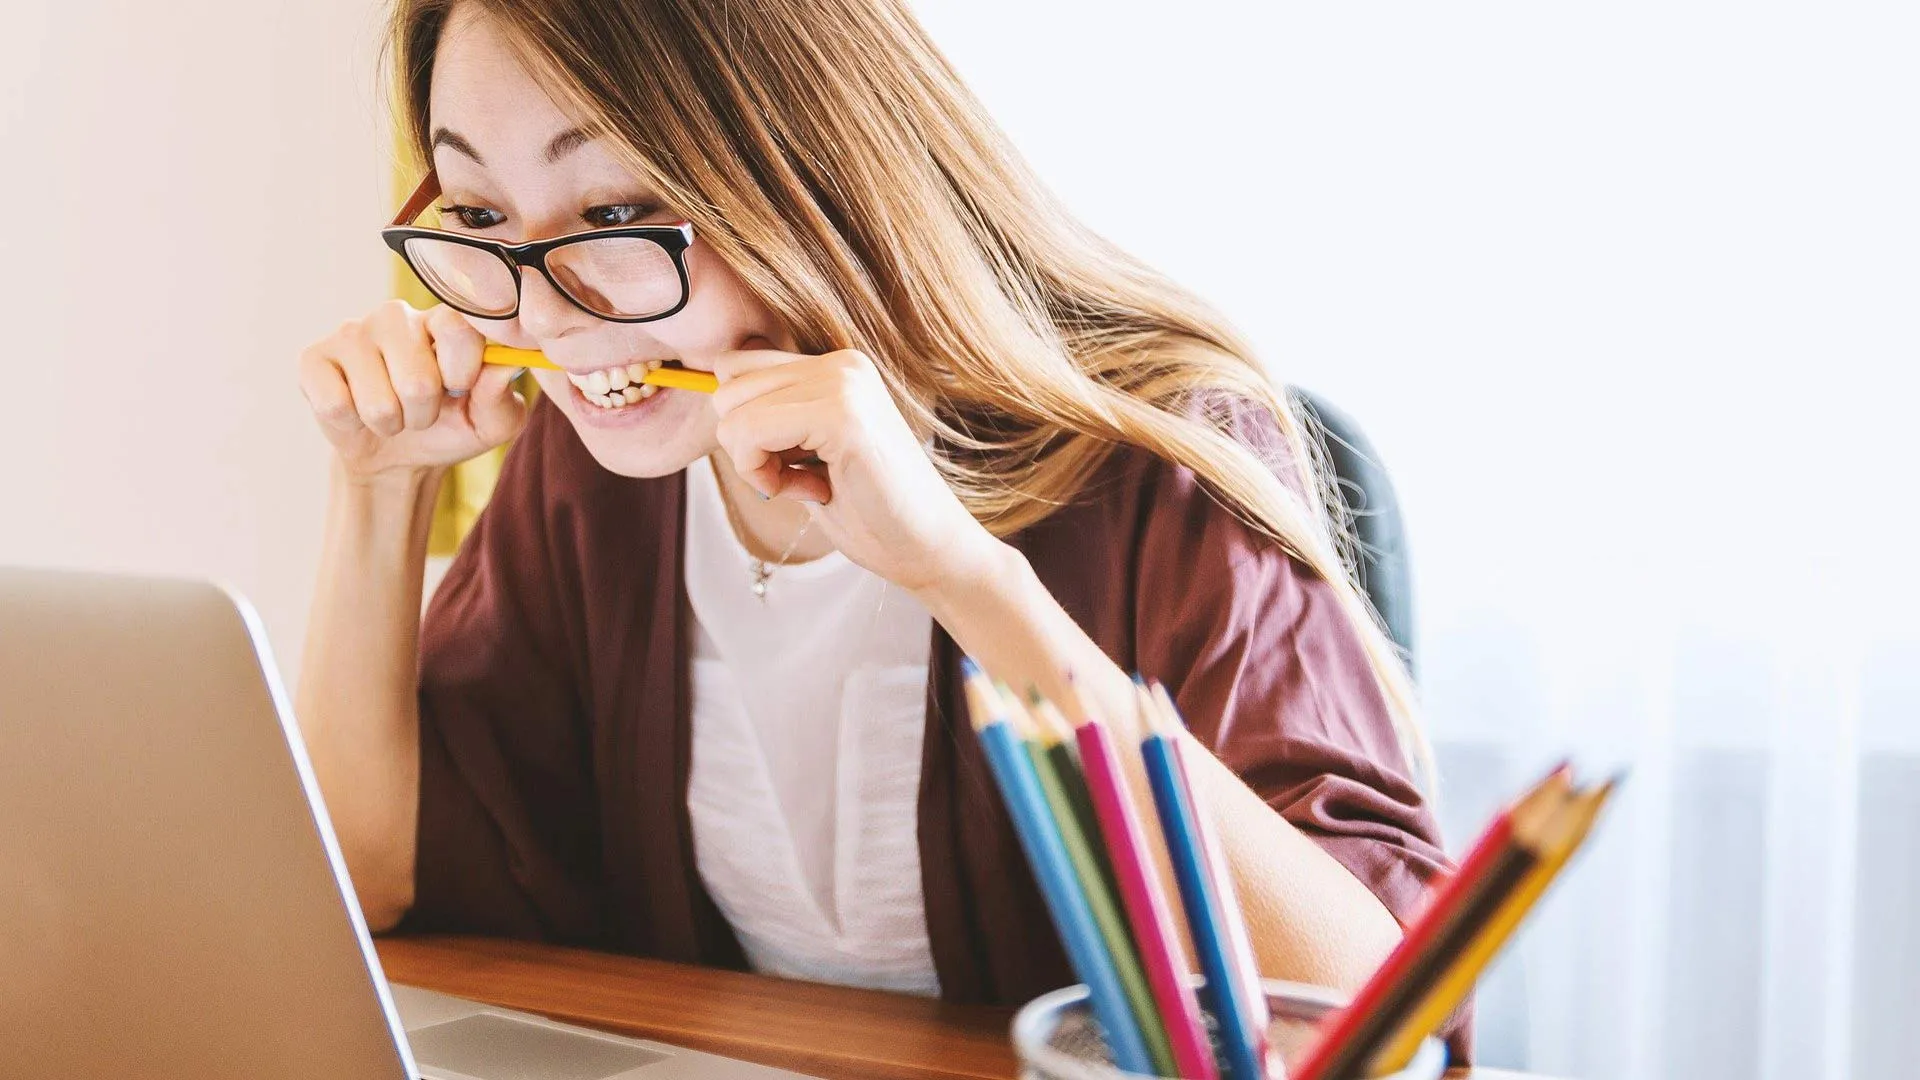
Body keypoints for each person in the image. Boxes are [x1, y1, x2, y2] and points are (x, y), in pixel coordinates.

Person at [295, 0, 1460, 1046]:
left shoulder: (1159, 455)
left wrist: (962, 576)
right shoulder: (593, 469)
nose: (547, 314)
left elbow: (1368, 1009)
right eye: (485, 212)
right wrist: (379, 490)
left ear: (806, 173)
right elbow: (367, 876)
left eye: (613, 208)